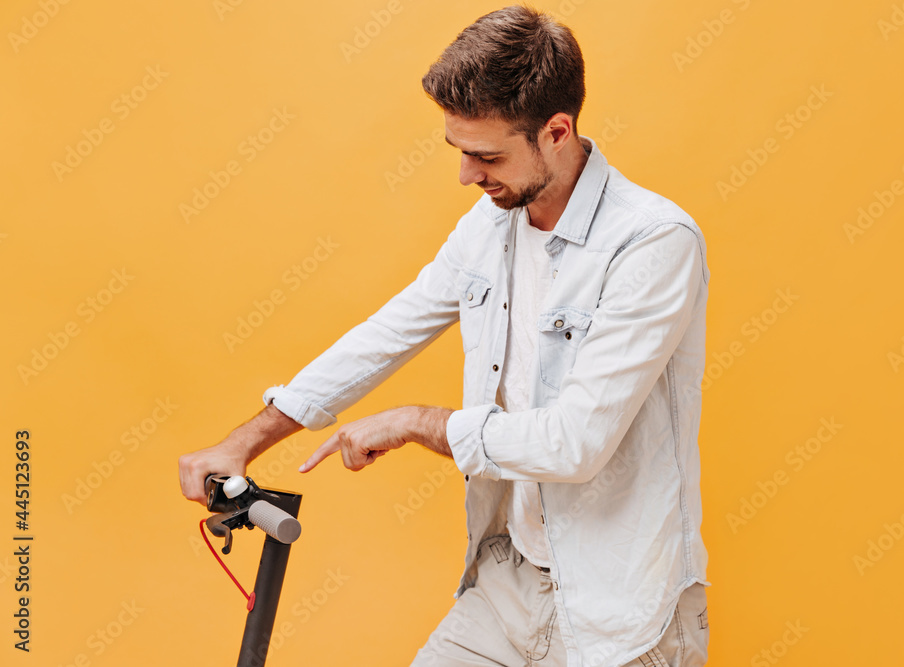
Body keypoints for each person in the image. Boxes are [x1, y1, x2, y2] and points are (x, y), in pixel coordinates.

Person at [178, 6, 711, 666]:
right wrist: (242, 442)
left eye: (486, 156)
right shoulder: (489, 227)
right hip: (509, 580)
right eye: (461, 153)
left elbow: (575, 443)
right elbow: (388, 331)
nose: (467, 176)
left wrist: (413, 421)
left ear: (556, 131)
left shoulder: (652, 243)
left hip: (622, 607)